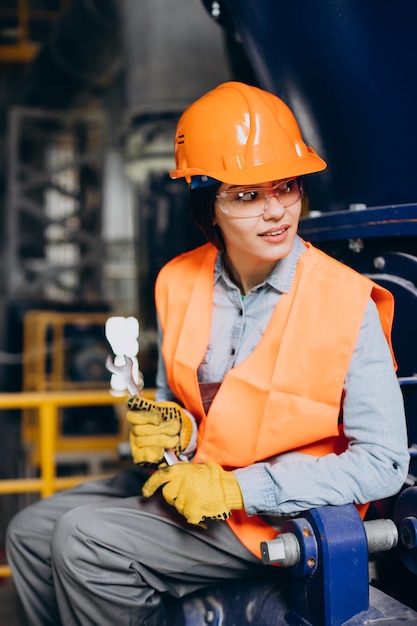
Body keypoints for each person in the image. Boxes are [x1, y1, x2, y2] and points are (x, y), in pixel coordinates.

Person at [6, 81, 410, 626]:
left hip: (280, 511)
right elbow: (186, 406)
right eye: (247, 195)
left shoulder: (345, 302)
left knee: (86, 541)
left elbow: (385, 462)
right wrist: (173, 427)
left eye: (285, 187)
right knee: (28, 532)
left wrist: (238, 487)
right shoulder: (177, 280)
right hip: (198, 473)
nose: (275, 213)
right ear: (208, 205)